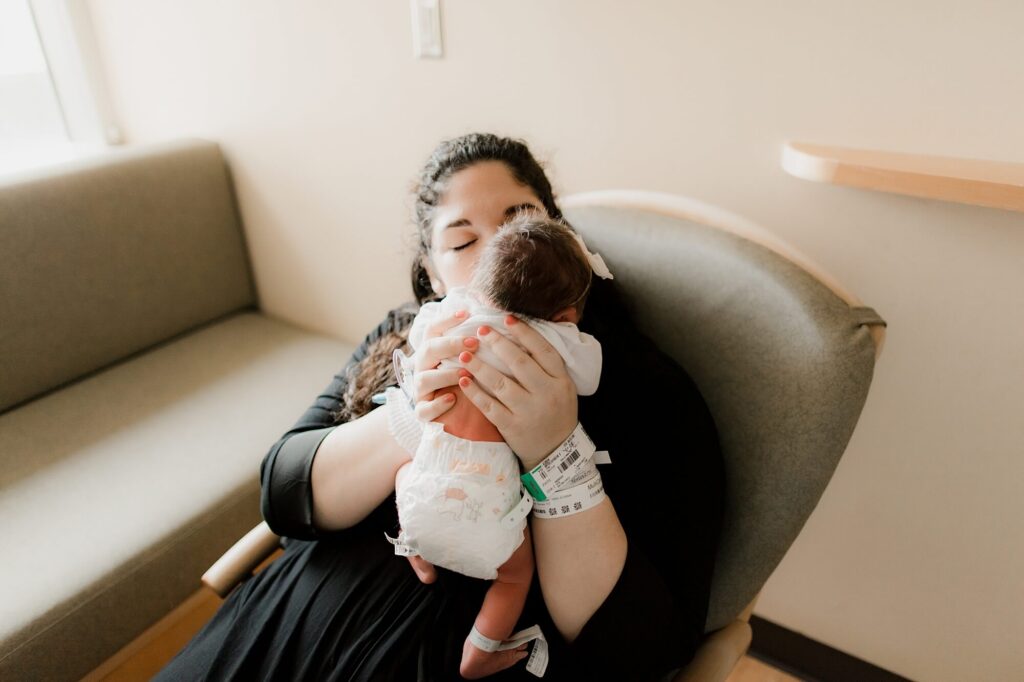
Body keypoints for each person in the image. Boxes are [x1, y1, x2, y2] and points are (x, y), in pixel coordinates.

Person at [157, 132, 725, 681]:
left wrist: (555, 453)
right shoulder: (405, 334)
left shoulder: (642, 383)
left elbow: (644, 649)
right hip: (302, 616)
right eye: (461, 242)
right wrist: (411, 415)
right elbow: (284, 491)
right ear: (432, 273)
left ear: (563, 236)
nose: (500, 252)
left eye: (521, 222)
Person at [386, 214, 611, 678]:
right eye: (462, 238)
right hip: (489, 511)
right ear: (565, 315)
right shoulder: (553, 341)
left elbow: (420, 332)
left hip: (421, 495)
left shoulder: (450, 316)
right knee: (514, 576)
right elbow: (589, 379)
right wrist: (573, 336)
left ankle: (417, 552)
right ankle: (479, 651)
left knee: (402, 472)